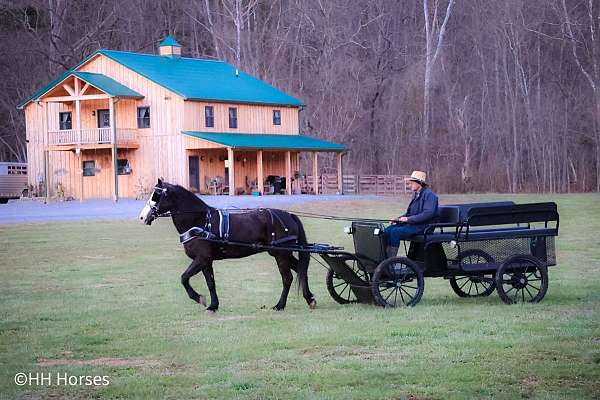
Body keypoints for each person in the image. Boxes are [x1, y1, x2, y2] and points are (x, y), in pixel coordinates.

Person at [384, 170, 439, 257]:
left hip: (424, 226)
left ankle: (390, 260)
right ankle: (383, 258)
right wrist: (398, 219)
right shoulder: (415, 194)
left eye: (411, 183)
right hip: (413, 224)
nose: (409, 185)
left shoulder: (430, 195)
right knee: (387, 230)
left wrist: (408, 219)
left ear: (419, 183)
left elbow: (428, 213)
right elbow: (409, 213)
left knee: (395, 232)